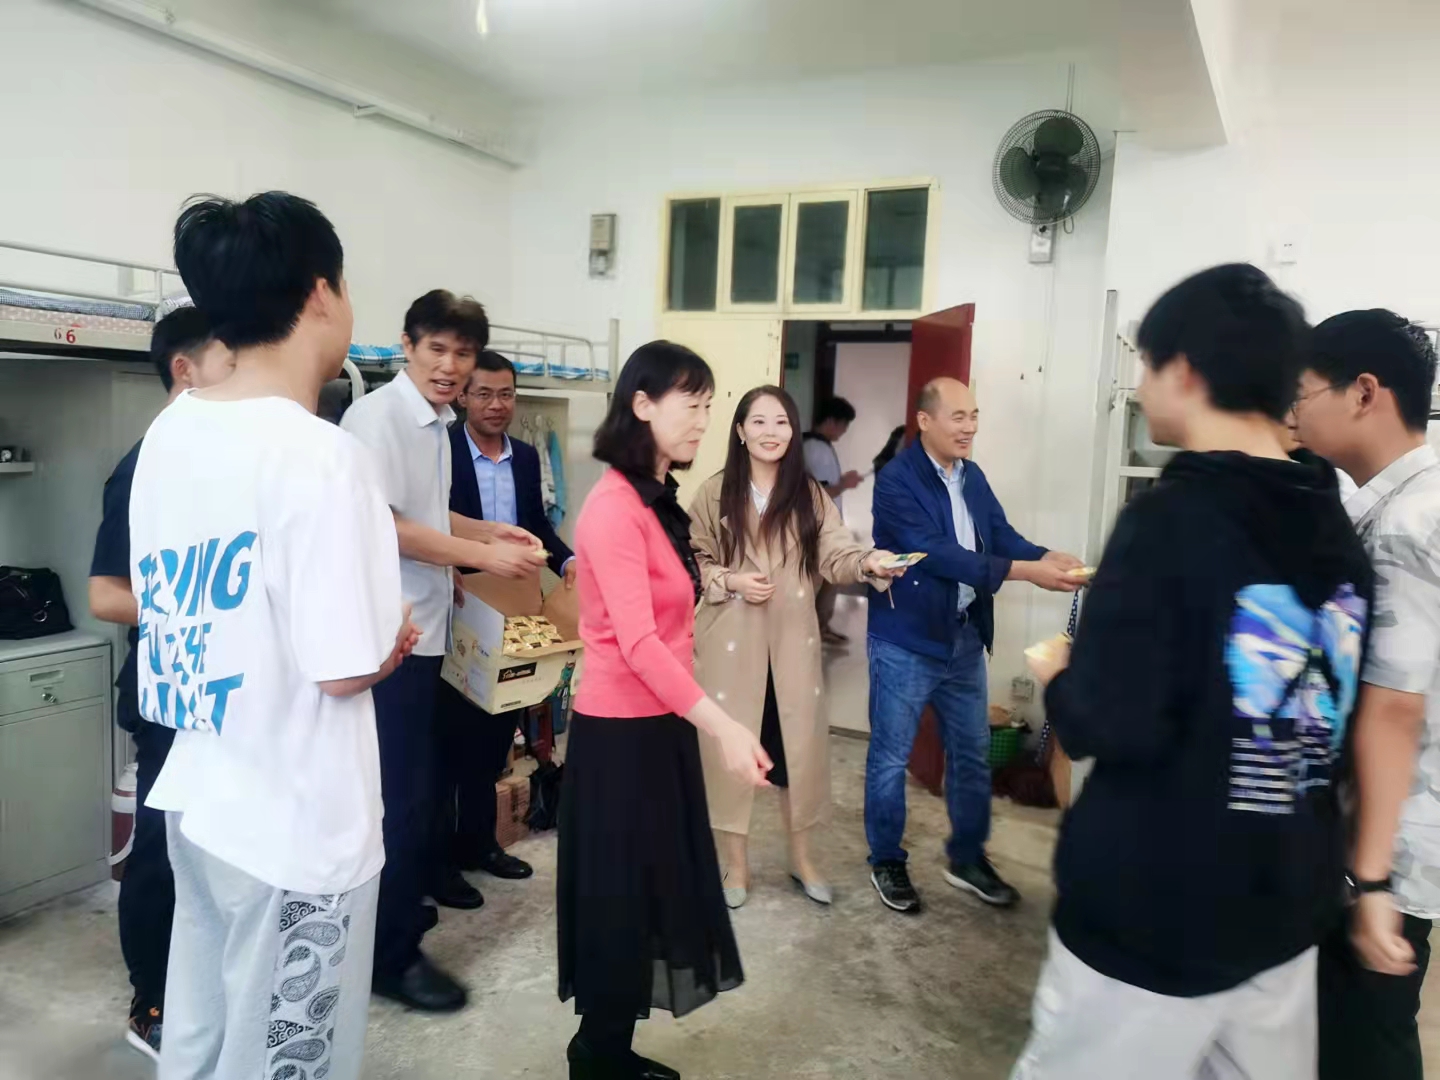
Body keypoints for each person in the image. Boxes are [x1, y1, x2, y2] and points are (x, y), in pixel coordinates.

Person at [1014, 264, 1374, 1080]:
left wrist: (1063, 672)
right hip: (1288, 900)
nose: (1141, 388)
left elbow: (1107, 721)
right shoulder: (1334, 524)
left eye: (1146, 365)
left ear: (1183, 370)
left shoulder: (1169, 522)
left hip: (1157, 907)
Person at [132, 191, 418, 1080]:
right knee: (289, 1057)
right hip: (298, 823)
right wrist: (391, 644)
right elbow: (343, 667)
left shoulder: (171, 430)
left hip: (200, 791)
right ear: (322, 292)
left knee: (203, 1035)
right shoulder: (322, 456)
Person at [559, 341, 771, 1080]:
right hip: (619, 737)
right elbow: (640, 644)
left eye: (710, 405)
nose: (703, 419)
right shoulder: (613, 508)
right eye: (692, 403)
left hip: (659, 727)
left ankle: (608, 1048)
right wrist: (725, 725)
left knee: (647, 892)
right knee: (620, 898)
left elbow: (673, 615)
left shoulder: (655, 498)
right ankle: (596, 1055)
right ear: (642, 404)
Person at [341, 290, 547, 1011]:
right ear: (407, 345)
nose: (450, 366)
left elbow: (428, 514)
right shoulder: (377, 419)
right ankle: (389, 958)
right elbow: (382, 524)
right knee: (399, 796)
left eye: (463, 353)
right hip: (389, 637)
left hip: (430, 631)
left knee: (422, 786)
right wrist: (478, 554)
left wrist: (489, 533)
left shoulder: (436, 423)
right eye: (437, 349)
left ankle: (399, 915)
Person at [866, 376, 1081, 914]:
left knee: (971, 753)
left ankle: (966, 858)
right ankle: (886, 859)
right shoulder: (896, 481)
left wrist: (1044, 556)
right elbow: (939, 554)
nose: (970, 427)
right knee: (891, 757)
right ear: (925, 421)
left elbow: (998, 535)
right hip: (906, 640)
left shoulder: (972, 475)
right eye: (958, 416)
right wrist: (1027, 572)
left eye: (975, 415)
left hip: (963, 637)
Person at [1291, 309, 1440, 1080]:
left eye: (1303, 393)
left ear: (1364, 392)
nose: (1294, 412)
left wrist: (1371, 879)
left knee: (1364, 1042)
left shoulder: (1410, 524)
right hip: (1377, 830)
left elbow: (1394, 705)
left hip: (1386, 843)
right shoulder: (1384, 501)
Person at [690, 385, 903, 908]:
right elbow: (695, 561)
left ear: (793, 431)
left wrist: (869, 562)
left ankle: (803, 860)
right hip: (730, 645)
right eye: (759, 422)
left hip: (791, 644)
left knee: (797, 759)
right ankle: (735, 866)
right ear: (740, 431)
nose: (771, 432)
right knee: (729, 759)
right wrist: (731, 581)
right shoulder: (714, 493)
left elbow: (836, 553)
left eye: (781, 422)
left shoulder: (809, 494)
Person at [88, 306, 234, 1062]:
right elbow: (106, 595)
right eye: (228, 360)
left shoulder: (219, 462)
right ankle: (150, 999)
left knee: (208, 846)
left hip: (214, 684)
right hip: (163, 692)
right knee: (158, 847)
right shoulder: (143, 466)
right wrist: (199, 602)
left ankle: (200, 984)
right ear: (185, 368)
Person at [434, 351, 577, 894]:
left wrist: (568, 560)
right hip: (458, 607)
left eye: (506, 394)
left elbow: (536, 524)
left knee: (498, 728)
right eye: (484, 394)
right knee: (450, 738)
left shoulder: (524, 457)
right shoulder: (442, 450)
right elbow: (429, 526)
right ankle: (441, 862)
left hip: (514, 608)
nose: (496, 405)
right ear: (463, 397)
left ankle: (481, 843)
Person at [803, 396, 862, 644]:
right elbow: (818, 493)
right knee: (820, 579)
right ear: (831, 421)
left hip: (822, 526)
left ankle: (820, 626)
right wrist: (844, 484)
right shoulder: (816, 449)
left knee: (828, 578)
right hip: (819, 527)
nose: (844, 431)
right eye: (844, 425)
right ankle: (814, 629)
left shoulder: (813, 445)